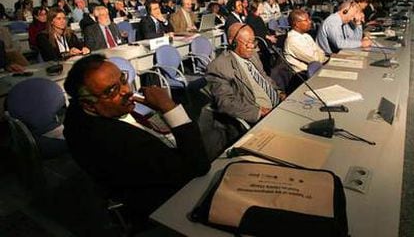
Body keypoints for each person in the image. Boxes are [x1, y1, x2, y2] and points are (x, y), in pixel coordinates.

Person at [63, 54, 210, 229]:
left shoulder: (77, 113)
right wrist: (170, 107)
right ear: (89, 105)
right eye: (112, 91)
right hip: (166, 207)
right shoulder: (119, 142)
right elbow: (198, 167)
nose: (126, 90)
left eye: (123, 79)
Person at [206, 23, 281, 124]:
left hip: (279, 106)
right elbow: (225, 103)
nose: (251, 46)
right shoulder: (219, 66)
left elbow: (264, 77)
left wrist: (279, 92)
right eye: (246, 42)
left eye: (253, 41)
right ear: (232, 42)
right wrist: (258, 112)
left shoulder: (253, 55)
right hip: (263, 117)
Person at [284, 9, 328, 73]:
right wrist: (319, 54)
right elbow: (315, 60)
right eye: (306, 20)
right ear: (297, 24)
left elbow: (321, 52)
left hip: (318, 68)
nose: (310, 22)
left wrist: (319, 54)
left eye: (309, 19)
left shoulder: (306, 35)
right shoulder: (293, 41)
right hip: (306, 75)